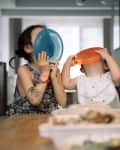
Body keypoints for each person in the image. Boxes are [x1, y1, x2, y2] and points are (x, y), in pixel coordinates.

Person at [6, 25, 66, 116]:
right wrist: (45, 74)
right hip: (23, 120)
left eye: (47, 37)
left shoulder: (54, 70)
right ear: (28, 48)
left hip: (45, 119)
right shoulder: (24, 70)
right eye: (40, 36)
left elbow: (62, 102)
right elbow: (34, 100)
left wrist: (54, 78)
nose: (45, 39)